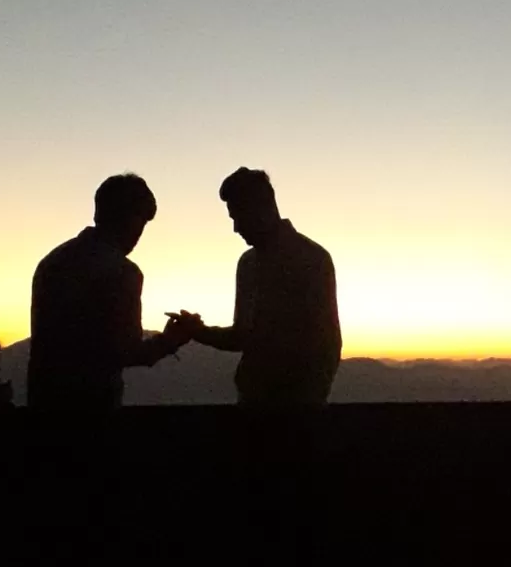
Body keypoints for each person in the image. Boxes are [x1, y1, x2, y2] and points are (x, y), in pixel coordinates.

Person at [28, 173, 192, 414]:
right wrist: (172, 339)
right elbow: (125, 351)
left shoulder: (52, 262)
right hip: (92, 408)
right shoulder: (121, 271)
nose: (139, 233)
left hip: (44, 404)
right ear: (131, 219)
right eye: (141, 221)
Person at [178, 168, 341, 407]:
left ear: (263, 207)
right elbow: (242, 337)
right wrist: (197, 331)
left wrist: (309, 399)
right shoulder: (248, 264)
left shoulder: (312, 260)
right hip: (252, 402)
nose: (235, 228)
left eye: (238, 217)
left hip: (297, 411)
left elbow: (328, 342)